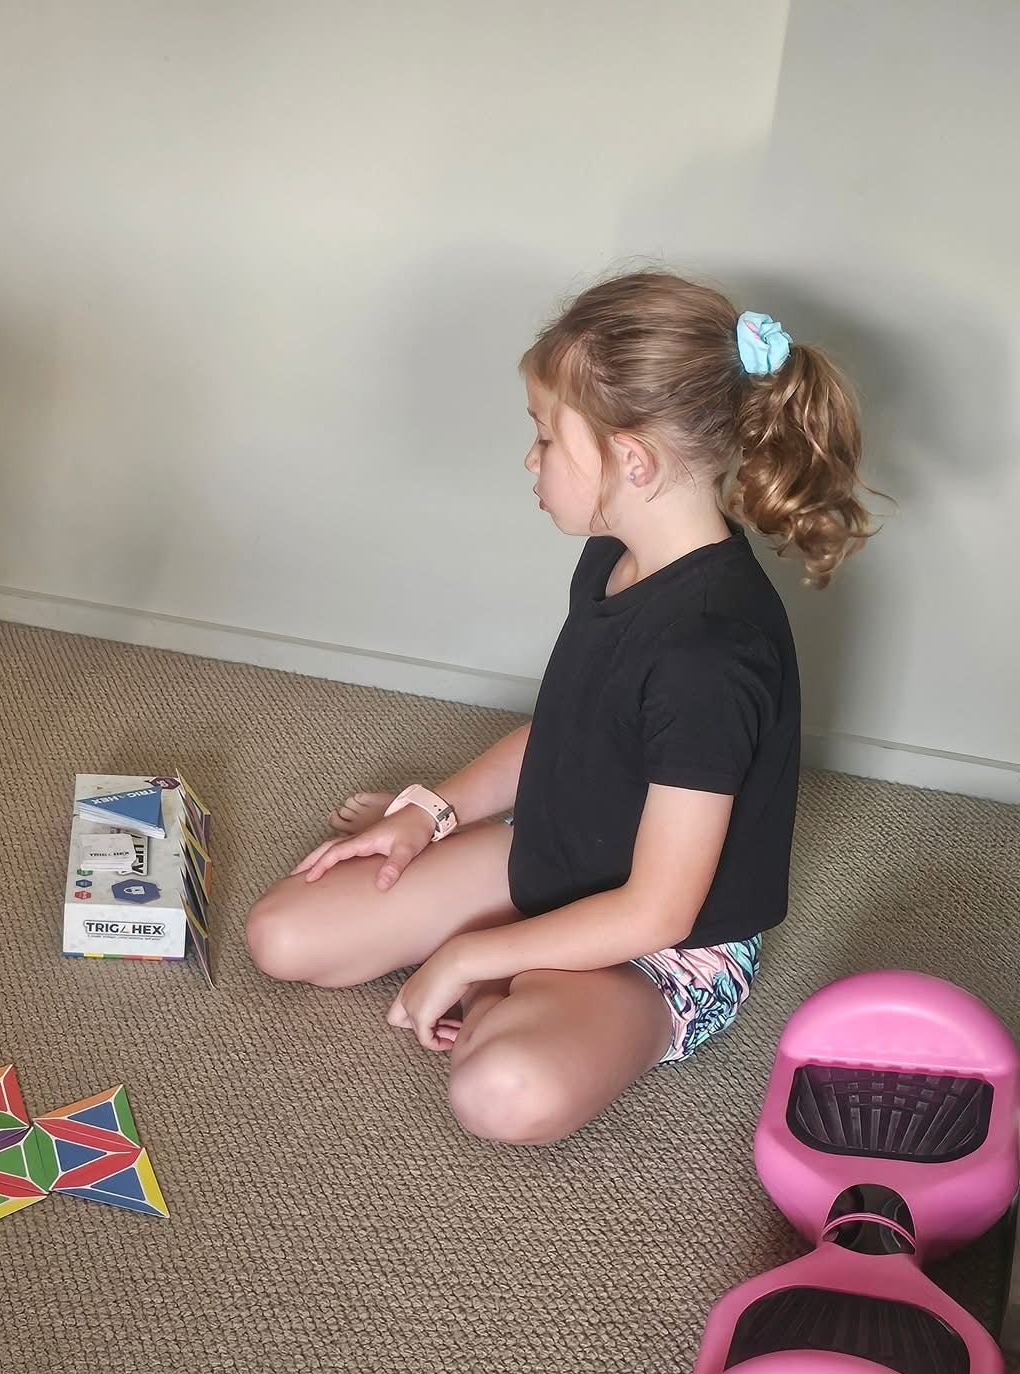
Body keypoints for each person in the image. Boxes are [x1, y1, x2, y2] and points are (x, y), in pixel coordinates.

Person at [245, 272, 873, 1144]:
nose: (530, 460)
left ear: (633, 461)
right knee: (282, 936)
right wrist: (430, 811)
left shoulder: (710, 656)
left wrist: (471, 953)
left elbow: (658, 912)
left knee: (503, 1090)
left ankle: (534, 980)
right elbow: (570, 730)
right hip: (551, 857)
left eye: (545, 437)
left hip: (663, 945)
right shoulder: (615, 557)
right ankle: (524, 961)